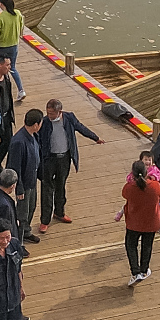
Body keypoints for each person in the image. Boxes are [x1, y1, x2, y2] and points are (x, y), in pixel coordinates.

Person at [36, 98, 101, 233]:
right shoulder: (44, 122)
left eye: (52, 113)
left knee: (61, 185)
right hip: (49, 159)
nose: (49, 116)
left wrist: (95, 137)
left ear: (59, 112)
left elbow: (81, 127)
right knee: (47, 189)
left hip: (64, 158)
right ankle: (45, 220)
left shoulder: (69, 118)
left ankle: (59, 212)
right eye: (48, 113)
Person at [118, 159, 160, 286]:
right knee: (147, 245)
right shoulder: (155, 186)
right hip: (151, 222)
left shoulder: (129, 187)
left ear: (132, 174)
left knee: (131, 245)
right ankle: (144, 270)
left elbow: (125, 195)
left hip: (134, 222)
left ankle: (135, 271)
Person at [4, 109, 45, 244]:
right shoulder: (19, 142)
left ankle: (26, 232)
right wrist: (19, 188)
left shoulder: (33, 136)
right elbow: (14, 167)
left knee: (31, 207)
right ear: (35, 125)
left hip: (32, 180)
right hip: (24, 184)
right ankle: (18, 242)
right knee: (22, 214)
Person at [0, 0, 28, 101]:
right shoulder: (17, 13)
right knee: (12, 68)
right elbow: (21, 25)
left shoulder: (0, 17)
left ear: (1, 4)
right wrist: (19, 35)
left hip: (2, 47)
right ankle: (21, 90)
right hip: (14, 45)